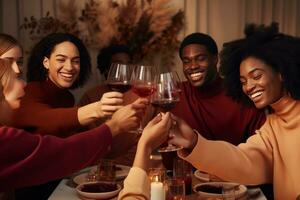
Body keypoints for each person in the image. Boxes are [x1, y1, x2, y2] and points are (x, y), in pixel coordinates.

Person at [168, 23, 300, 199]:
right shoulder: (273, 126)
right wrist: (194, 142)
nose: (249, 87)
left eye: (256, 76)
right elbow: (243, 161)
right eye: (243, 81)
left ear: (281, 72)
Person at [0, 58, 147, 197]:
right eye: (17, 77)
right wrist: (113, 125)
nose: (25, 84)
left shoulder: (67, 98)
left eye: (76, 60)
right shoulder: (4, 138)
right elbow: (59, 152)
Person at [11, 33, 125, 136]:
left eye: (75, 61)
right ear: (46, 63)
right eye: (61, 60)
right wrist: (98, 109)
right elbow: (48, 121)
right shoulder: (30, 90)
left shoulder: (67, 98)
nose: (70, 67)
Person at [171, 32, 266, 145]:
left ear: (215, 59)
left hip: (232, 162)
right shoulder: (175, 93)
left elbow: (260, 147)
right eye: (186, 61)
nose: (193, 66)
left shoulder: (241, 94)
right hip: (180, 163)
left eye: (200, 59)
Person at [79, 44, 153, 166]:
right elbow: (87, 142)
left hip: (131, 167)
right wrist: (103, 167)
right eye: (119, 64)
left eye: (128, 64)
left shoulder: (142, 97)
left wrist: (116, 166)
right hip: (94, 169)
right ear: (107, 68)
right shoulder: (90, 97)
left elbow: (142, 142)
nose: (126, 69)